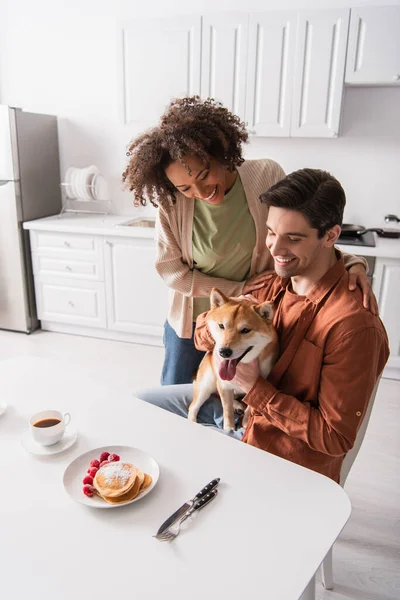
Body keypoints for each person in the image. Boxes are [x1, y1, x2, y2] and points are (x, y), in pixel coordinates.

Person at [135, 168, 389, 483]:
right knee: (140, 408)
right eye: (271, 232)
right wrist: (221, 327)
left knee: (169, 469)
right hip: (241, 413)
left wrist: (256, 390)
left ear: (331, 235)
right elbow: (203, 338)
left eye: (293, 239)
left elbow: (335, 438)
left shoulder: (352, 326)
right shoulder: (273, 283)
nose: (275, 250)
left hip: (276, 453)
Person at [123, 96, 373, 386]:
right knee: (177, 394)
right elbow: (172, 273)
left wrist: (351, 262)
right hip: (194, 320)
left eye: (205, 175)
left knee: (242, 399)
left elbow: (299, 234)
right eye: (184, 187)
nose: (200, 191)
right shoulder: (172, 204)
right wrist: (237, 290)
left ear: (222, 153)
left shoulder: (265, 175)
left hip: (249, 325)